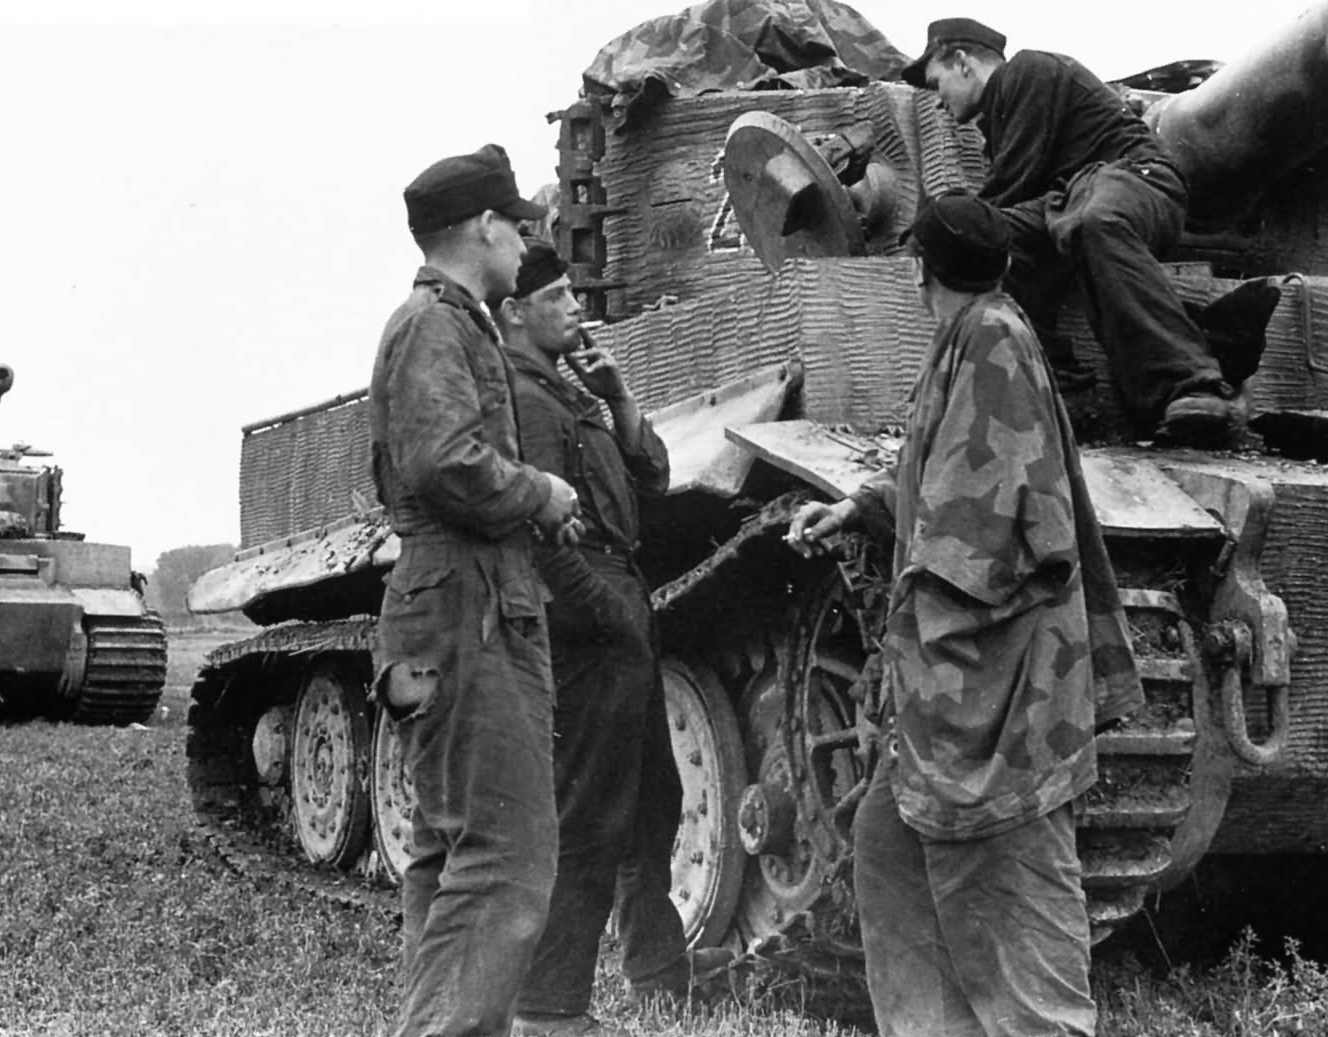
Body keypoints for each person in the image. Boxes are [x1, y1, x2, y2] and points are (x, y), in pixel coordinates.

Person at [786, 191, 1144, 1037]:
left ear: (918, 271)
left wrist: (914, 637)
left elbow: (989, 525)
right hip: (960, 688)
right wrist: (868, 505)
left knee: (1013, 876)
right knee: (887, 844)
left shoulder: (990, 340)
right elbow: (959, 469)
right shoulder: (982, 332)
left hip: (993, 694)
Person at [369, 143, 586, 1037]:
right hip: (467, 601)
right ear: (487, 227)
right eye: (519, 227)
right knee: (504, 853)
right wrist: (540, 493)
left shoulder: (458, 323)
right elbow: (442, 460)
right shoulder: (436, 325)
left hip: (459, 594)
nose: (526, 242)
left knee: (453, 846)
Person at [490, 243, 722, 1037]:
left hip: (622, 605)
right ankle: (551, 1007)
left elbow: (651, 478)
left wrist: (620, 396)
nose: (574, 306)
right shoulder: (521, 398)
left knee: (656, 802)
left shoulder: (574, 392)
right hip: (589, 619)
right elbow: (538, 528)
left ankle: (658, 975)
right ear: (514, 312)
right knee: (589, 814)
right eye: (556, 296)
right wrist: (601, 610)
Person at [902, 17, 1241, 445]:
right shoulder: (1000, 115)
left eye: (936, 84)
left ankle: (1191, 384)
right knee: (1001, 243)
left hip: (1136, 177)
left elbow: (1011, 183)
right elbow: (1002, 213)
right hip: (1068, 200)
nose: (937, 102)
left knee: (1094, 220)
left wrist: (935, 233)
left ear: (963, 63)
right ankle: (1062, 388)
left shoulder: (1027, 71)